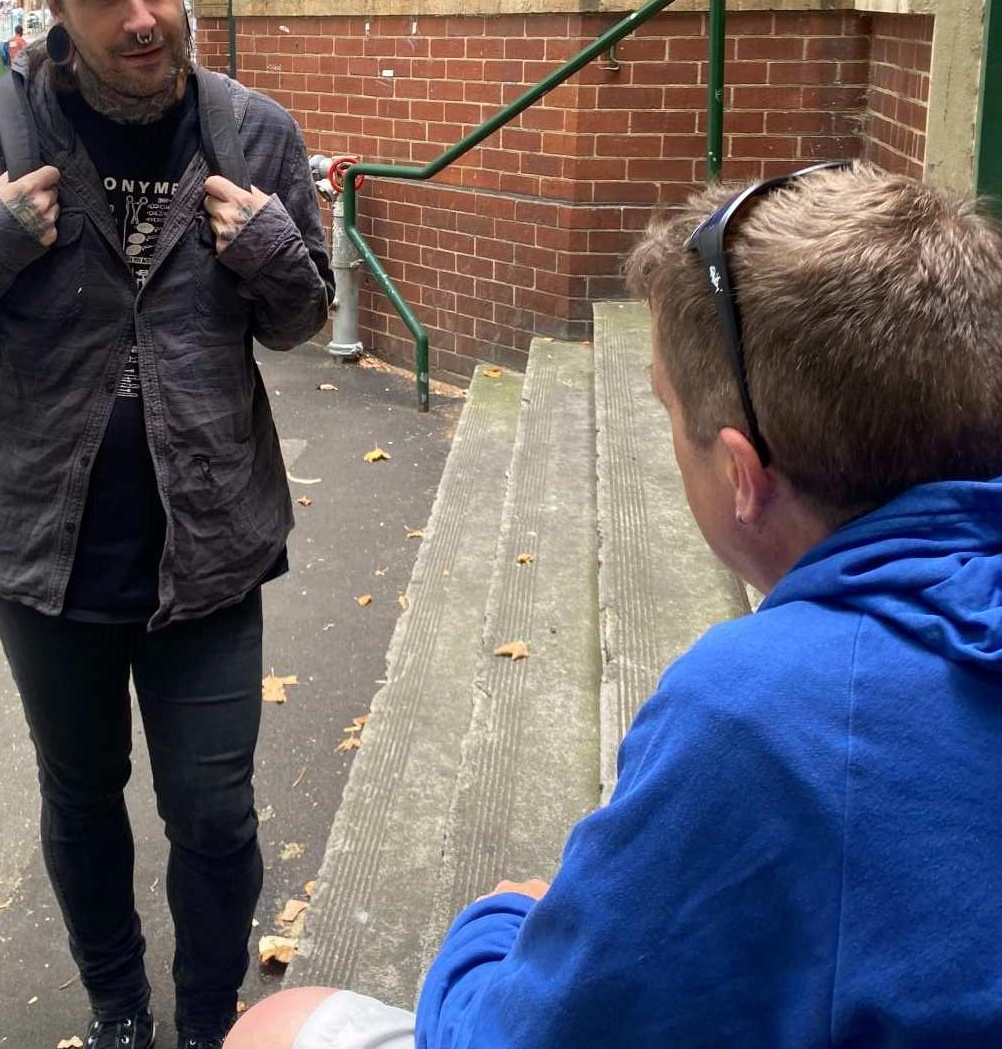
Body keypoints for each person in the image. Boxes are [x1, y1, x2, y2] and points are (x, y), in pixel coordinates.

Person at [228, 161, 1002, 1048]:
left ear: (742, 476)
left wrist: (493, 925)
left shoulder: (762, 710)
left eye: (666, 410)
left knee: (279, 1022)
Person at [0, 0, 333, 1049]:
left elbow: (301, 323)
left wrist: (275, 251)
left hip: (211, 544)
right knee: (82, 799)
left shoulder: (252, 134)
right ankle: (119, 1009)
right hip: (43, 547)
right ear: (53, 12)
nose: (141, 16)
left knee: (214, 813)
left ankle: (203, 1021)